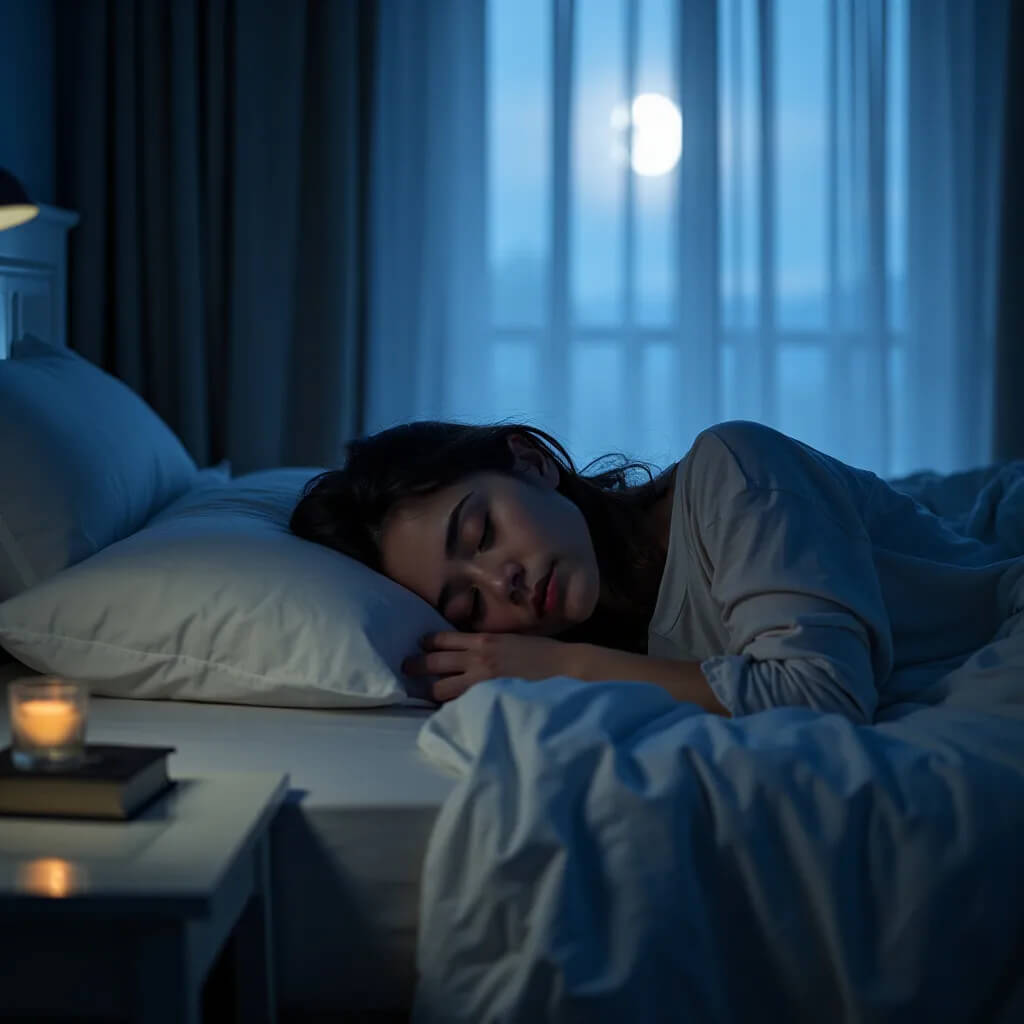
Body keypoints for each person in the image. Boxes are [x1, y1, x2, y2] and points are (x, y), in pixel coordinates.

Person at [289, 418, 1024, 722]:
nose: (500, 584)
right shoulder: (611, 626)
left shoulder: (735, 469)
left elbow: (821, 692)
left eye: (480, 532)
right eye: (467, 605)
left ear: (531, 461)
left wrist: (558, 664)